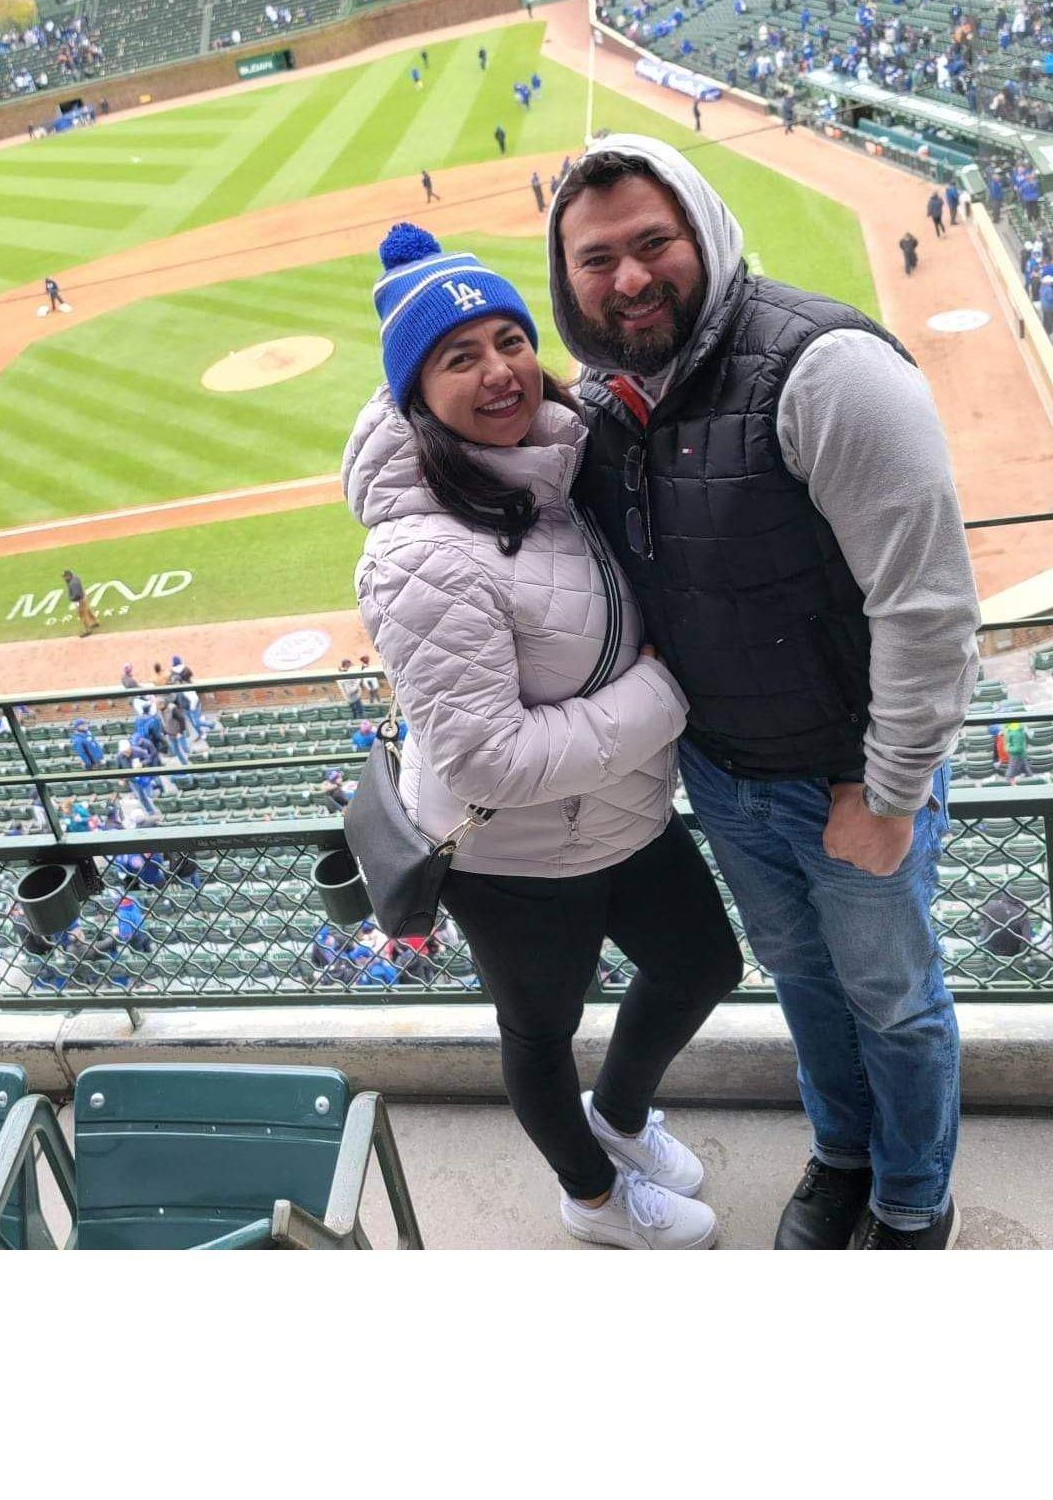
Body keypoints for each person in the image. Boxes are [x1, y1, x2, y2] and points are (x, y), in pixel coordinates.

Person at [550, 136, 980, 1251]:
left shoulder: (824, 367)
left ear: (701, 230)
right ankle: (842, 1150)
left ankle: (910, 1192)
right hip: (725, 778)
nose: (629, 277)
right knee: (800, 981)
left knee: (891, 999)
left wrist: (886, 792)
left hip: (847, 777)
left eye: (653, 242)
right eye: (596, 259)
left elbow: (926, 605)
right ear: (567, 282)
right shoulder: (602, 403)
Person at [347, 223, 741, 1250]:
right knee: (537, 1035)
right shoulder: (415, 551)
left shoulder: (547, 467)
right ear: (413, 390)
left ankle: (616, 1114)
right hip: (512, 856)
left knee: (701, 964)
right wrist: (665, 695)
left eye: (508, 339)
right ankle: (591, 1194)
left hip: (619, 814)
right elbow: (489, 758)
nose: (498, 371)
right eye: (457, 355)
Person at [63, 567, 99, 635]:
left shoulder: (73, 583)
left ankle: (87, 630)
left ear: (68, 576)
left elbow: (77, 595)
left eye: (65, 577)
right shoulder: (75, 578)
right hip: (83, 597)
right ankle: (95, 622)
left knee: (83, 615)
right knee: (88, 610)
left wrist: (72, 598)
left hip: (79, 600)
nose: (64, 578)